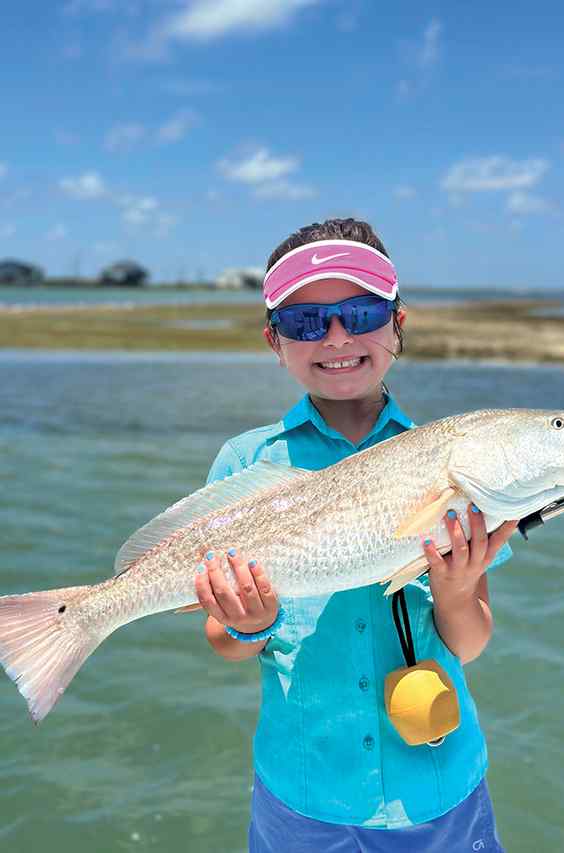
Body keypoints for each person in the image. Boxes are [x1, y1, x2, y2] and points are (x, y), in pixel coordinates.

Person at [194, 217, 519, 852]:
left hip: (438, 782)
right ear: (274, 341)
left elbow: (473, 640)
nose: (337, 337)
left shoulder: (452, 461)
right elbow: (224, 641)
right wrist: (247, 624)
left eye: (361, 312)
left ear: (399, 322)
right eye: (305, 323)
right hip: (305, 789)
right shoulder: (246, 463)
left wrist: (456, 591)